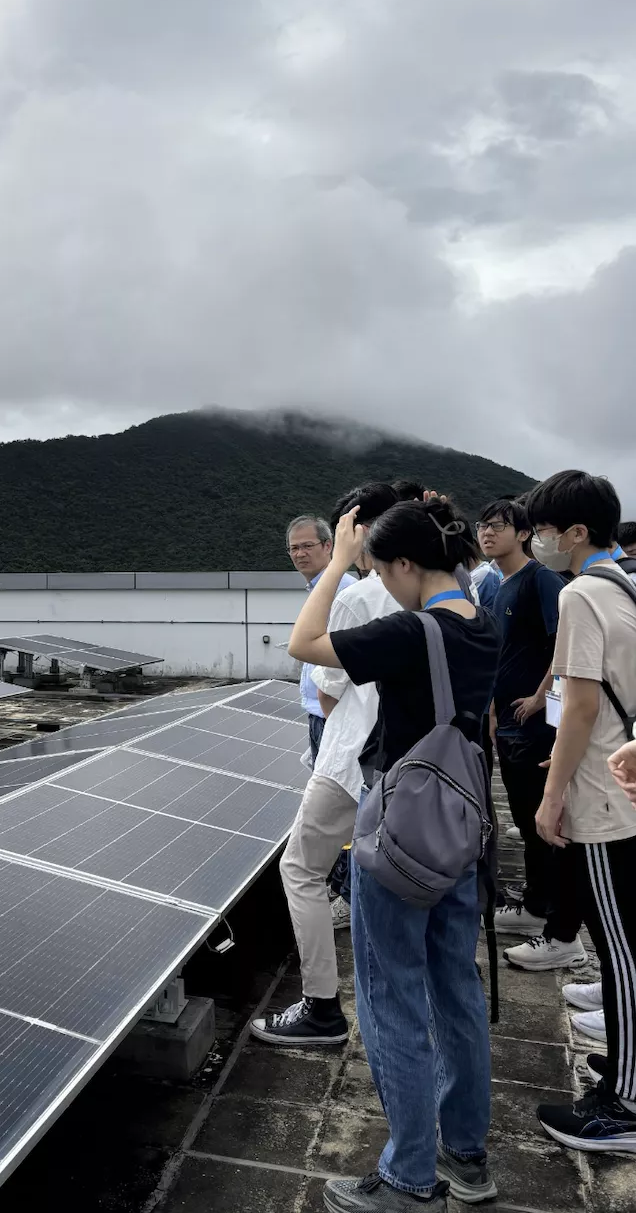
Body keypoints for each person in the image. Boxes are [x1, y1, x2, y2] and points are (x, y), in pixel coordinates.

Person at [290, 498, 501, 1211]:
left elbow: (304, 641)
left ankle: (410, 1177)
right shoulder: (481, 621)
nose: (380, 579)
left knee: (393, 999)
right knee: (457, 991)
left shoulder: (411, 631)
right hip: (460, 832)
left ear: (407, 564)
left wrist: (342, 561)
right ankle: (466, 1155)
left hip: (401, 836)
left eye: (385, 568)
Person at [254, 483, 400, 1048]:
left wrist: (341, 564)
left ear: (355, 531)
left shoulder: (357, 595)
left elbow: (326, 681)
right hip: (406, 763)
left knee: (301, 869)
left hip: (350, 760)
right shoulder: (447, 591)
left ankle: (322, 1006)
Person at [522, 471, 636, 1153]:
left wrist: (552, 794)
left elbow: (582, 703)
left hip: (602, 792)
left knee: (620, 950)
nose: (541, 540)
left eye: (544, 529)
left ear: (576, 533)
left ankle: (623, 1103)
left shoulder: (583, 595)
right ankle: (625, 1065)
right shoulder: (628, 584)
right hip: (626, 781)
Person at [472, 500, 587, 970]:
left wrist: (541, 695)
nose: (486, 534)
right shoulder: (499, 585)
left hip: (537, 725)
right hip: (511, 723)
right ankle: (536, 907)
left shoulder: (541, 579)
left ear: (522, 534)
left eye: (497, 526)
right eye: (482, 526)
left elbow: (568, 643)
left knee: (547, 826)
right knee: (524, 817)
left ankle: (563, 932)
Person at [286, 514, 353, 761]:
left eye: (307, 546)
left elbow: (343, 657)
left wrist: (332, 716)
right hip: (320, 712)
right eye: (294, 548)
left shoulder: (344, 590)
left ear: (328, 546)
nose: (300, 553)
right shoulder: (321, 588)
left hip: (333, 714)